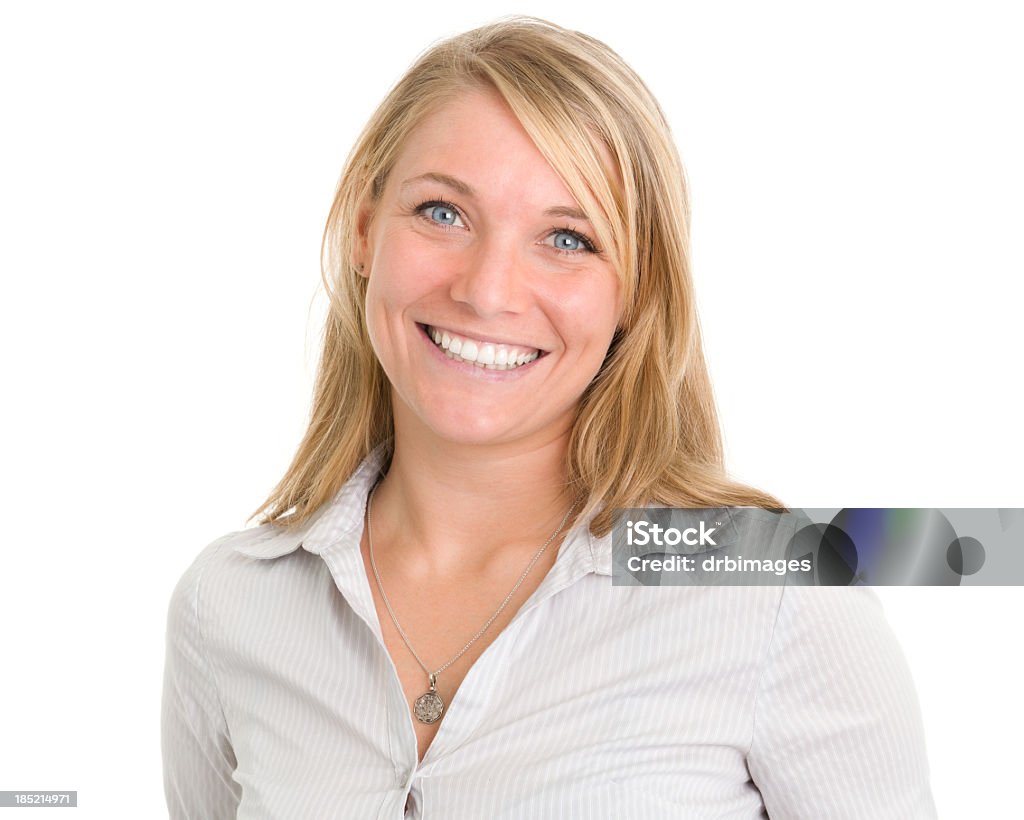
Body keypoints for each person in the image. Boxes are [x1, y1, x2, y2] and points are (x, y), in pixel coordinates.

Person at [161, 15, 937, 819]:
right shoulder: (229, 605)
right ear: (364, 231)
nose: (487, 290)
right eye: (442, 212)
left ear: (636, 291)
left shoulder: (779, 595)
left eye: (567, 237)